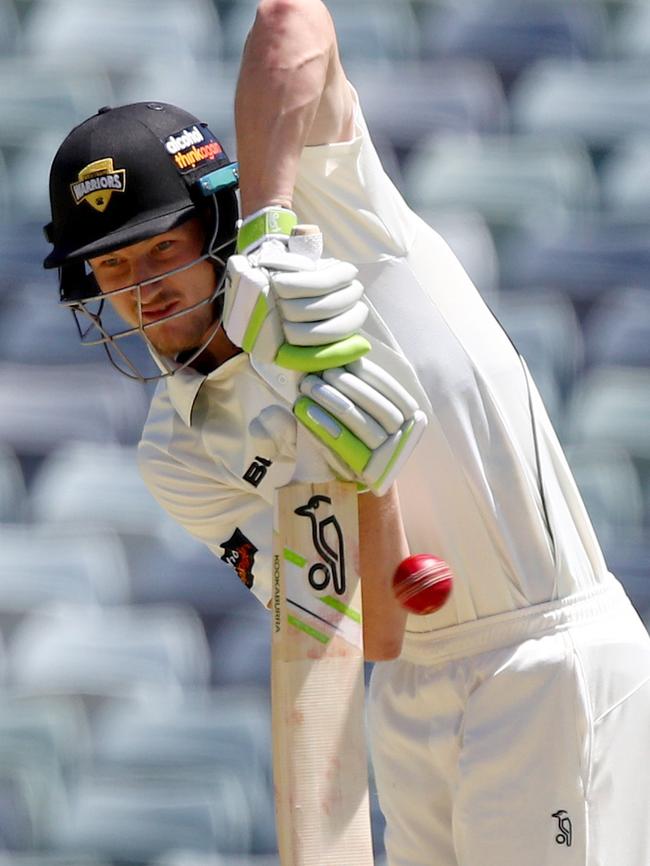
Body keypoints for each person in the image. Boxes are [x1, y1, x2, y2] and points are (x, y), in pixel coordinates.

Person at [44, 1, 650, 863]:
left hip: (544, 656)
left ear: (214, 223)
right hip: (411, 697)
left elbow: (294, 20)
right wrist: (367, 472)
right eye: (113, 266)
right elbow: (376, 633)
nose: (142, 287)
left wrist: (275, 227)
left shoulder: (342, 209)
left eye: (160, 249)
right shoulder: (177, 455)